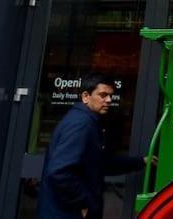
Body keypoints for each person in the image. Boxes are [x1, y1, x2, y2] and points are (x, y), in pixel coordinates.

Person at [37, 74, 146, 219]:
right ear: (86, 97)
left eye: (110, 95)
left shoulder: (87, 121)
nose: (109, 100)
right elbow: (60, 172)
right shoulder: (81, 124)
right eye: (103, 95)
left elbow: (101, 163)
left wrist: (140, 161)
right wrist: (84, 203)